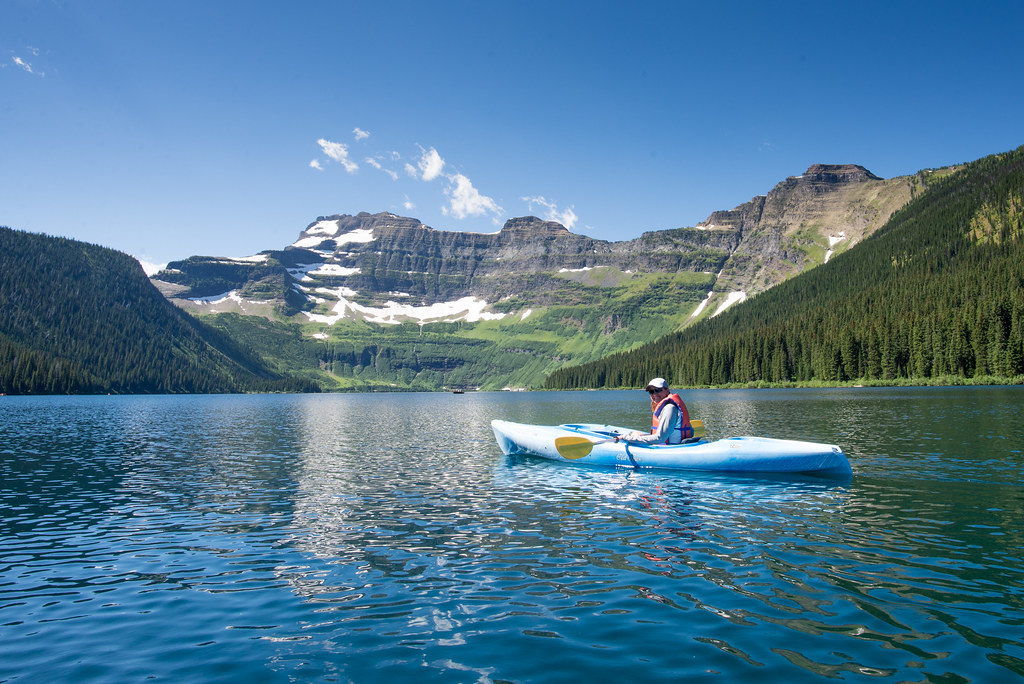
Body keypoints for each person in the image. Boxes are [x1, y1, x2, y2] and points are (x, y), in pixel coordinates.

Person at [617, 377, 693, 444]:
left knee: (633, 436)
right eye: (651, 392)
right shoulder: (669, 406)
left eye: (658, 390)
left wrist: (627, 438)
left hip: (669, 449)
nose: (655, 394)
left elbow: (659, 438)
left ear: (667, 390)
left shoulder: (669, 408)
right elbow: (691, 432)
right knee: (636, 434)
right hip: (672, 445)